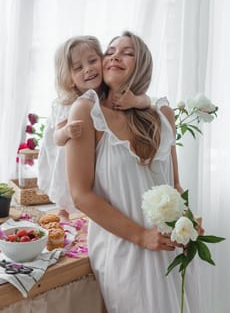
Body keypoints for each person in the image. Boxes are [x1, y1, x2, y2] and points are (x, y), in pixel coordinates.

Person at [65, 31, 204, 312]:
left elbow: (173, 185)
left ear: (142, 64)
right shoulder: (85, 112)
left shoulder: (162, 115)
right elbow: (81, 195)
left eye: (127, 52)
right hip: (124, 250)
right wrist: (142, 236)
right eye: (111, 50)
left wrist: (187, 221)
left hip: (169, 247)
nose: (115, 55)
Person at [38, 35, 151, 220]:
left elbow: (148, 101)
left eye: (92, 61)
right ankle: (63, 211)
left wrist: (135, 101)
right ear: (71, 79)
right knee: (66, 184)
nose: (88, 69)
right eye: (79, 68)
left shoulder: (109, 92)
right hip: (68, 153)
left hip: (94, 153)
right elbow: (56, 139)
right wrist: (65, 132)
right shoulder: (68, 104)